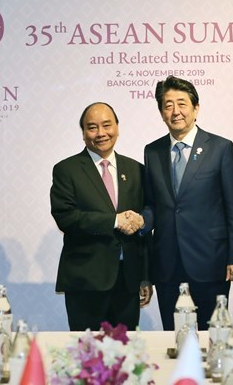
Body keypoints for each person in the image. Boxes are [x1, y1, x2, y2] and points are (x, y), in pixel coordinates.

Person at [142, 76, 233, 331]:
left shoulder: (220, 148)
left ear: (196, 108)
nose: (175, 111)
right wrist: (141, 219)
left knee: (211, 337)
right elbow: (152, 204)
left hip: (211, 261)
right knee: (173, 335)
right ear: (161, 113)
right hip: (167, 262)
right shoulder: (152, 151)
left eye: (182, 103)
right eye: (168, 105)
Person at [50, 102, 152, 331]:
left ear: (117, 126)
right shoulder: (67, 170)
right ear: (83, 133)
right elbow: (66, 217)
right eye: (92, 127)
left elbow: (143, 229)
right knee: (86, 355)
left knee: (126, 356)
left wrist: (145, 277)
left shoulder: (136, 170)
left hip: (128, 283)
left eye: (107, 125)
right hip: (86, 282)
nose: (101, 133)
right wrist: (114, 221)